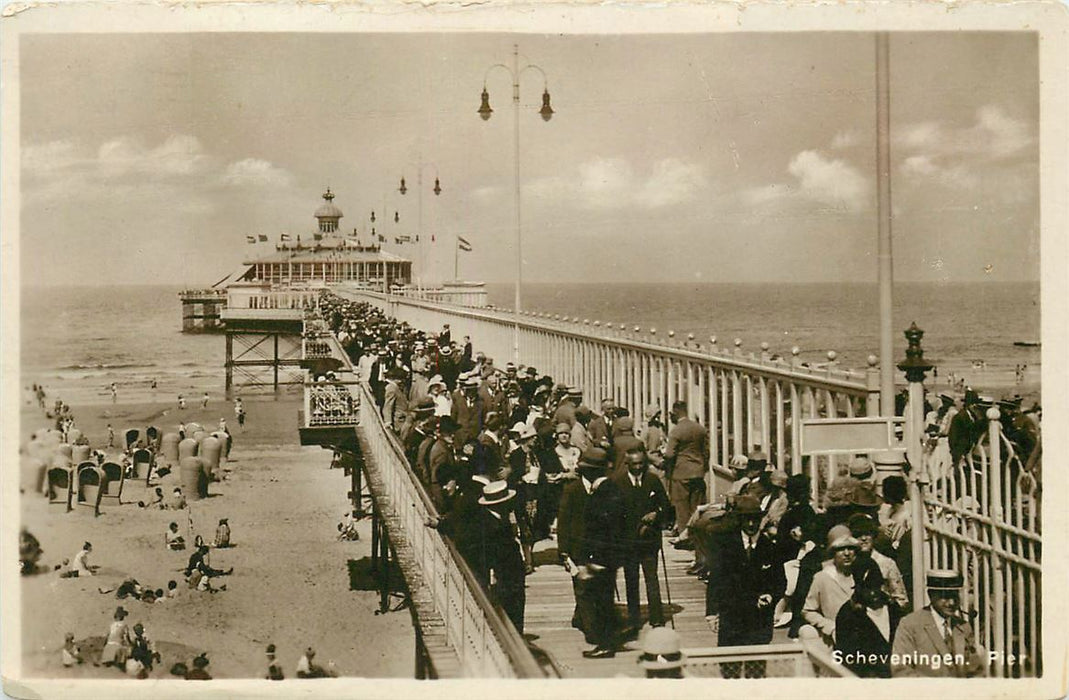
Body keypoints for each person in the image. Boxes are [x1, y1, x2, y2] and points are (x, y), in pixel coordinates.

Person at [560, 447, 627, 659]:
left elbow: (613, 526)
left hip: (599, 555)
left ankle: (600, 637)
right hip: (580, 549)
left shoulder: (610, 491)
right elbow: (563, 522)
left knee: (597, 596)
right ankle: (587, 622)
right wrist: (564, 552)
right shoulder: (572, 489)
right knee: (585, 591)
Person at [708, 495, 784, 678]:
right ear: (739, 519)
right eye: (746, 519)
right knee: (729, 671)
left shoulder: (770, 547)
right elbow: (716, 581)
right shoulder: (725, 545)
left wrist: (771, 596)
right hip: (731, 619)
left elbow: (780, 581)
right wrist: (711, 612)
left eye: (755, 519)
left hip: (758, 622)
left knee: (755, 672)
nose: (751, 524)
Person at [612, 446, 672, 630]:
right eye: (634, 464)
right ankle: (634, 617)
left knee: (652, 578)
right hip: (628, 541)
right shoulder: (618, 482)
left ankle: (656, 617)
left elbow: (667, 508)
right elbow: (612, 513)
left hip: (649, 540)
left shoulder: (653, 480)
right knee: (631, 579)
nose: (638, 468)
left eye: (641, 464)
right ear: (627, 464)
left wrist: (656, 514)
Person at [891, 569, 987, 677]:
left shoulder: (963, 627)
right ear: (931, 595)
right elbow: (901, 670)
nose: (951, 603)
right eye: (945, 597)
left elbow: (976, 670)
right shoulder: (910, 625)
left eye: (955, 596)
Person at [472, 481, 528, 635]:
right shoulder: (490, 525)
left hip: (510, 576)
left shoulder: (498, 519)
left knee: (513, 612)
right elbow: (487, 554)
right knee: (509, 613)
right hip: (504, 578)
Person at [833, 564, 900, 678]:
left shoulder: (893, 608)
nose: (873, 593)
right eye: (867, 588)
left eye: (875, 586)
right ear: (858, 587)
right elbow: (848, 658)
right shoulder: (848, 614)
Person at [802, 524, 860, 647]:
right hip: (834, 637)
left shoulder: (861, 575)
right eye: (840, 549)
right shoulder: (822, 577)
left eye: (850, 548)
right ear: (833, 552)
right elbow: (808, 610)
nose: (846, 553)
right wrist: (829, 626)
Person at [663, 401, 709, 535]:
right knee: (696, 506)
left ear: (676, 412)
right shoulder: (700, 428)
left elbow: (670, 454)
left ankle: (684, 536)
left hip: (681, 473)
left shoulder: (676, 431)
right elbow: (706, 452)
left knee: (681, 506)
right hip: (698, 472)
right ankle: (697, 534)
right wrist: (702, 468)